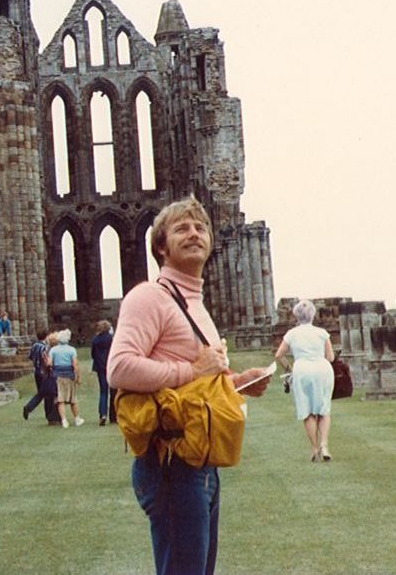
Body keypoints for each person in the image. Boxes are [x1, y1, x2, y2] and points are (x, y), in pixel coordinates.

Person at [107, 196, 272, 575]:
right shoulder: (149, 296)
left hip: (199, 461)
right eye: (181, 228)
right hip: (172, 462)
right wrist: (193, 370)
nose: (194, 234)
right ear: (161, 246)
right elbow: (119, 368)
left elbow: (198, 384)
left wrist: (236, 384)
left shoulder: (193, 301)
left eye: (200, 228)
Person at [274, 299, 335, 462]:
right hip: (322, 368)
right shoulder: (322, 333)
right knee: (324, 409)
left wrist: (289, 368)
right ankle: (324, 445)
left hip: (302, 369)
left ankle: (315, 448)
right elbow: (330, 357)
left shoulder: (291, 334)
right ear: (313, 315)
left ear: (296, 316)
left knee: (307, 411)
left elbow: (279, 355)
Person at [49, 328, 83, 427]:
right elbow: (75, 364)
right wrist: (78, 377)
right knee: (73, 399)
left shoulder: (53, 350)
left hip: (58, 376)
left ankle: (64, 420)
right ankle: (77, 419)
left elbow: (50, 363)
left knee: (61, 400)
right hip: (69, 375)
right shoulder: (71, 350)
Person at [91, 320, 116, 426]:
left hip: (100, 367)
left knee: (103, 391)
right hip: (111, 367)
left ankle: (103, 414)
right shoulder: (111, 339)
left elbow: (93, 354)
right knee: (113, 392)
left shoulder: (95, 340)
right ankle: (114, 416)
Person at [22, 329, 50, 421]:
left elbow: (31, 357)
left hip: (37, 372)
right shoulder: (44, 347)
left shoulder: (34, 346)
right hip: (43, 373)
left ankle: (46, 413)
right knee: (45, 393)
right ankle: (30, 407)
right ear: (46, 337)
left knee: (42, 393)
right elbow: (46, 360)